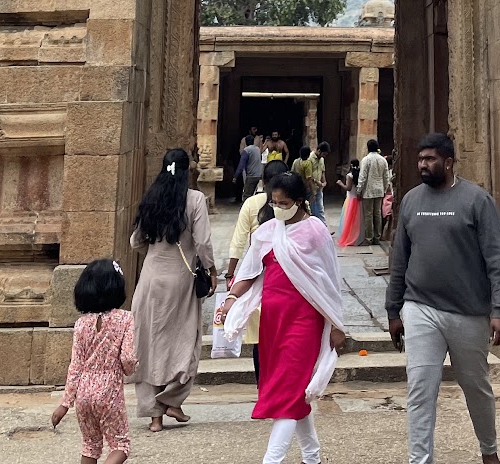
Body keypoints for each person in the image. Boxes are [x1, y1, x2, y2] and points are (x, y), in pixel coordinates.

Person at [386, 133, 500, 464]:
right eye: (420, 159)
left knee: (476, 387)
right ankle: (420, 460)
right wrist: (393, 310)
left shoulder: (476, 200)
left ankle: (489, 450)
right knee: (420, 389)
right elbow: (399, 259)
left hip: (468, 312)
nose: (422, 165)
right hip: (420, 308)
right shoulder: (411, 200)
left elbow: (497, 258)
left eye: (429, 159)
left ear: (448, 162)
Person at [221, 170, 346, 464]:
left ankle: (272, 460)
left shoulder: (315, 231)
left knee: (287, 393)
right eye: (274, 202)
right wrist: (230, 298)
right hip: (273, 323)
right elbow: (249, 273)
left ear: (300, 202)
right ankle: (312, 456)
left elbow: (330, 280)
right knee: (293, 391)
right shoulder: (266, 232)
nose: (278, 208)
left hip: (305, 321)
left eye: (284, 202)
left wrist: (337, 325)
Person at [130, 147, 215, 433]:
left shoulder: (151, 198)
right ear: (187, 169)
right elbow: (202, 242)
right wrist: (212, 270)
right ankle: (172, 399)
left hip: (151, 278)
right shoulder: (195, 199)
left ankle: (154, 417)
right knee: (185, 341)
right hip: (181, 281)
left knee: (149, 343)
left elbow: (136, 243)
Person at [51, 259, 136, 464]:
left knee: (90, 445)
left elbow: (76, 365)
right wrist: (131, 369)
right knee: (120, 445)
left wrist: (64, 404)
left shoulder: (81, 324)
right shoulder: (125, 319)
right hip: (109, 392)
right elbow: (127, 358)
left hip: (83, 395)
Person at [225, 159, 289, 381]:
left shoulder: (253, 204)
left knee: (259, 338)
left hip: (257, 280)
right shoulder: (293, 208)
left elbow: (238, 242)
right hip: (283, 281)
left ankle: (264, 384)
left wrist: (231, 274)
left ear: (263, 180)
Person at [357, 138, 390, 246]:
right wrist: (385, 189)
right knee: (377, 214)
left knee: (368, 215)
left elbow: (362, 176)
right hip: (379, 190)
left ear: (368, 148)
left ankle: (368, 238)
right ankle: (377, 237)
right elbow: (386, 177)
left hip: (368, 190)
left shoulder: (366, 160)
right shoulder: (383, 160)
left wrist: (359, 190)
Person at [335, 158, 362, 247]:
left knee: (348, 221)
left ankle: (350, 236)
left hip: (350, 200)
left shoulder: (350, 175)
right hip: (357, 200)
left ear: (350, 165)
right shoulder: (360, 175)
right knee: (357, 221)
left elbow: (348, 188)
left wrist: (340, 183)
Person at [235, 134, 264, 200]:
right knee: (256, 193)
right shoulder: (257, 149)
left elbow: (241, 164)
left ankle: (247, 209)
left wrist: (236, 176)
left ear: (246, 142)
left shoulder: (246, 150)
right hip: (259, 174)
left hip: (251, 175)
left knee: (246, 195)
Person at [308, 142, 330, 223]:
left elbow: (322, 171)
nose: (324, 156)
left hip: (319, 188)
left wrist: (324, 181)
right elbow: (309, 175)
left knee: (320, 209)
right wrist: (317, 182)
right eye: (323, 154)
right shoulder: (310, 158)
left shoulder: (322, 159)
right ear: (319, 151)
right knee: (313, 210)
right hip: (311, 188)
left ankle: (324, 228)